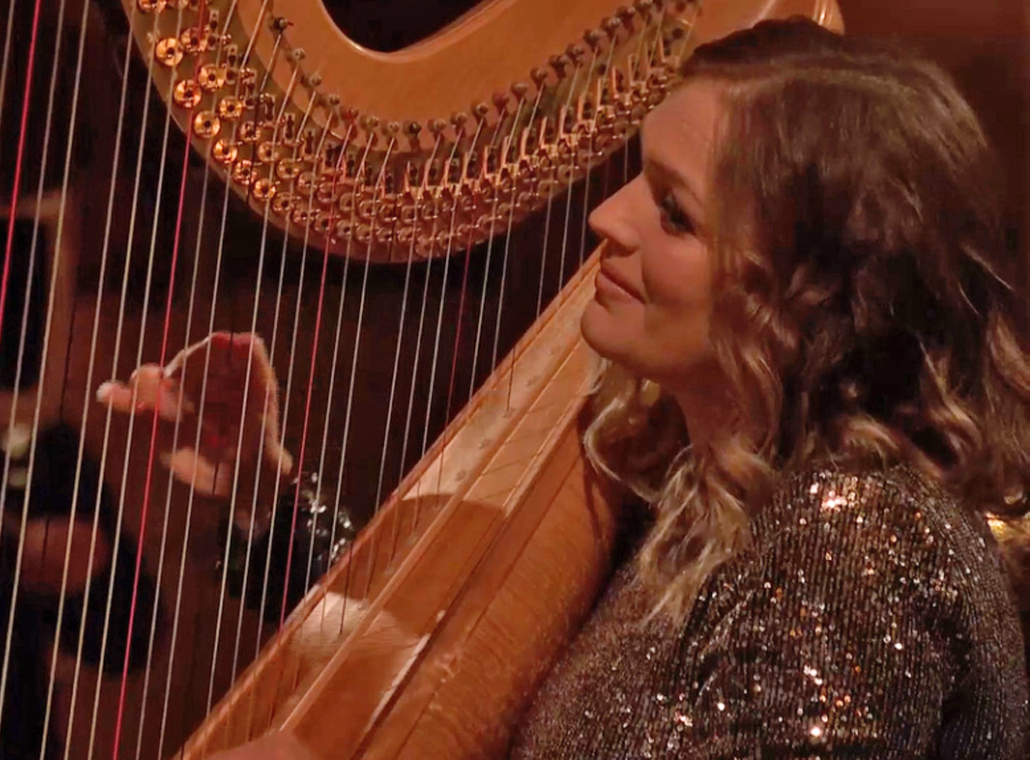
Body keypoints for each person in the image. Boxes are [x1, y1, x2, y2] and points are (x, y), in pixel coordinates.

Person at [207, 16, 1030, 759]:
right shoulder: (711, 485)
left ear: (808, 294)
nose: (606, 217)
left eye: (673, 212)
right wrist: (263, 491)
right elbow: (456, 651)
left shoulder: (854, 546)